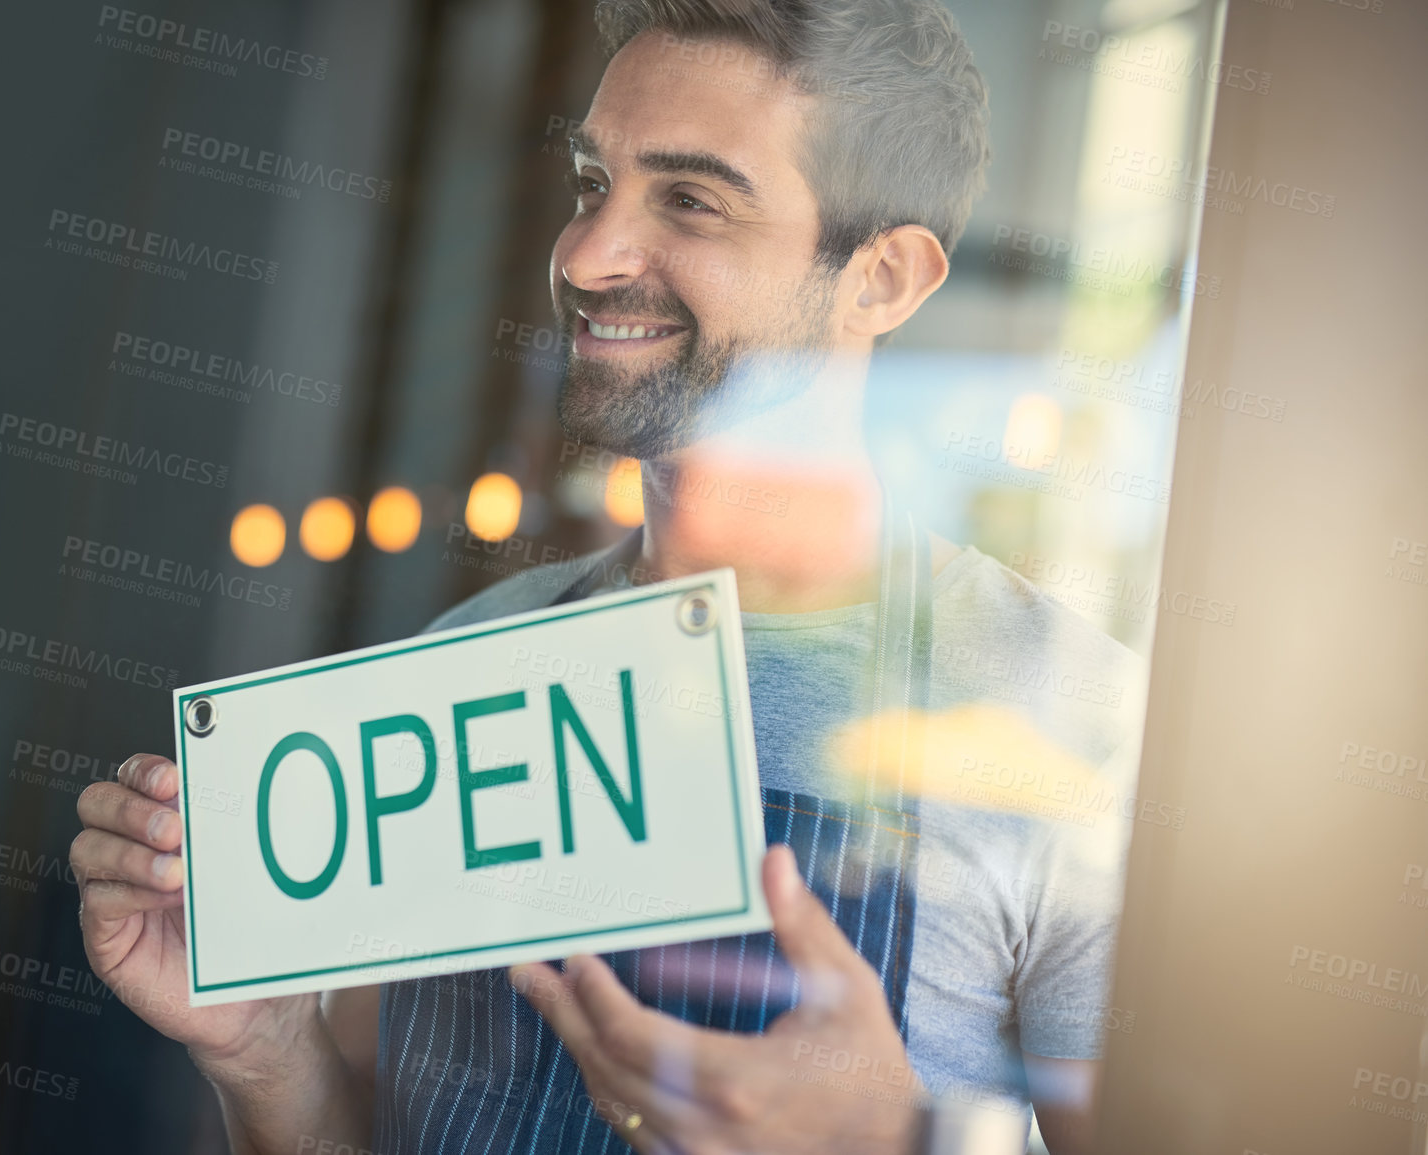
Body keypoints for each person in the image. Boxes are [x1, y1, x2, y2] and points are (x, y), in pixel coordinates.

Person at [71, 1, 1143, 1151]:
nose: (585, 256)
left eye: (689, 200)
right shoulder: (466, 662)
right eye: (594, 184)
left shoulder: (1079, 728)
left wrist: (897, 1145)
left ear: (880, 278)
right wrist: (269, 1057)